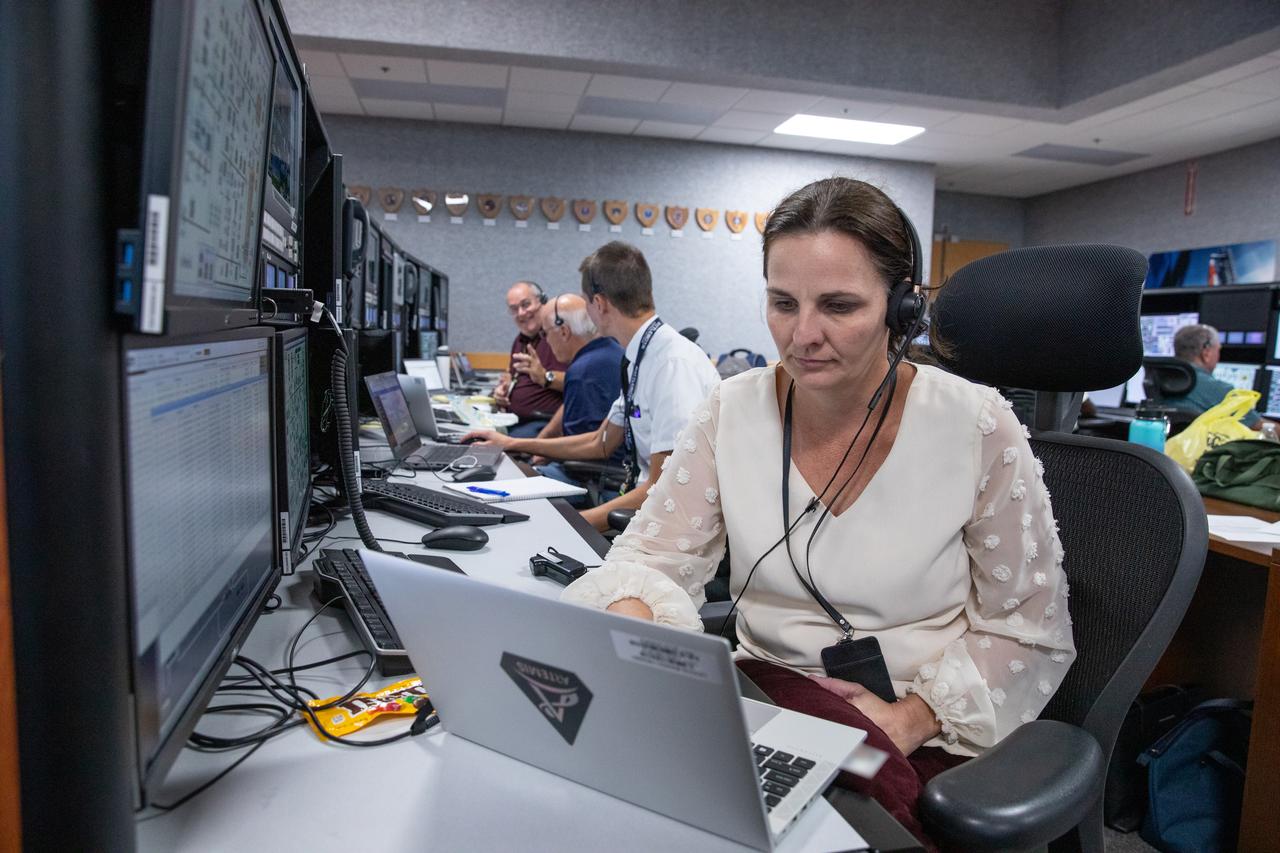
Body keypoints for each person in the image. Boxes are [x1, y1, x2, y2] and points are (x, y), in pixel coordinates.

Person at [558, 178, 1076, 849]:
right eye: (782, 303)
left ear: (900, 302)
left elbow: (1028, 625)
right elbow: (653, 557)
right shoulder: (731, 409)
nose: (803, 335)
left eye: (838, 305)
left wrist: (915, 716)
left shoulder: (976, 424)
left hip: (915, 730)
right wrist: (631, 628)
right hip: (767, 707)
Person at [465, 242, 720, 531]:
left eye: (586, 302)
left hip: (667, 527)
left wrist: (568, 525)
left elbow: (667, 488)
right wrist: (512, 444)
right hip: (640, 506)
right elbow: (598, 442)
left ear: (598, 304)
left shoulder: (671, 364)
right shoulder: (639, 356)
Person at [531, 293, 628, 504]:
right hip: (618, 473)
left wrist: (526, 447)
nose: (546, 341)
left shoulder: (582, 371)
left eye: (545, 333)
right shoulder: (613, 351)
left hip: (597, 481)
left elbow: (582, 452)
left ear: (564, 331)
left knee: (519, 482)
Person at [496, 280, 568, 438]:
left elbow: (579, 382)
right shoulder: (520, 340)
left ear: (543, 301)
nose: (521, 313)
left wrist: (544, 376)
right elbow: (514, 376)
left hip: (544, 423)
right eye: (514, 309)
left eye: (526, 304)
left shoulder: (560, 336)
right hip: (516, 421)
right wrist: (504, 390)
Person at [1167, 324, 1263, 428]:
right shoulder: (1219, 390)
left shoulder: (1160, 379)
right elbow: (1260, 427)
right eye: (1218, 350)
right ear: (1206, 353)